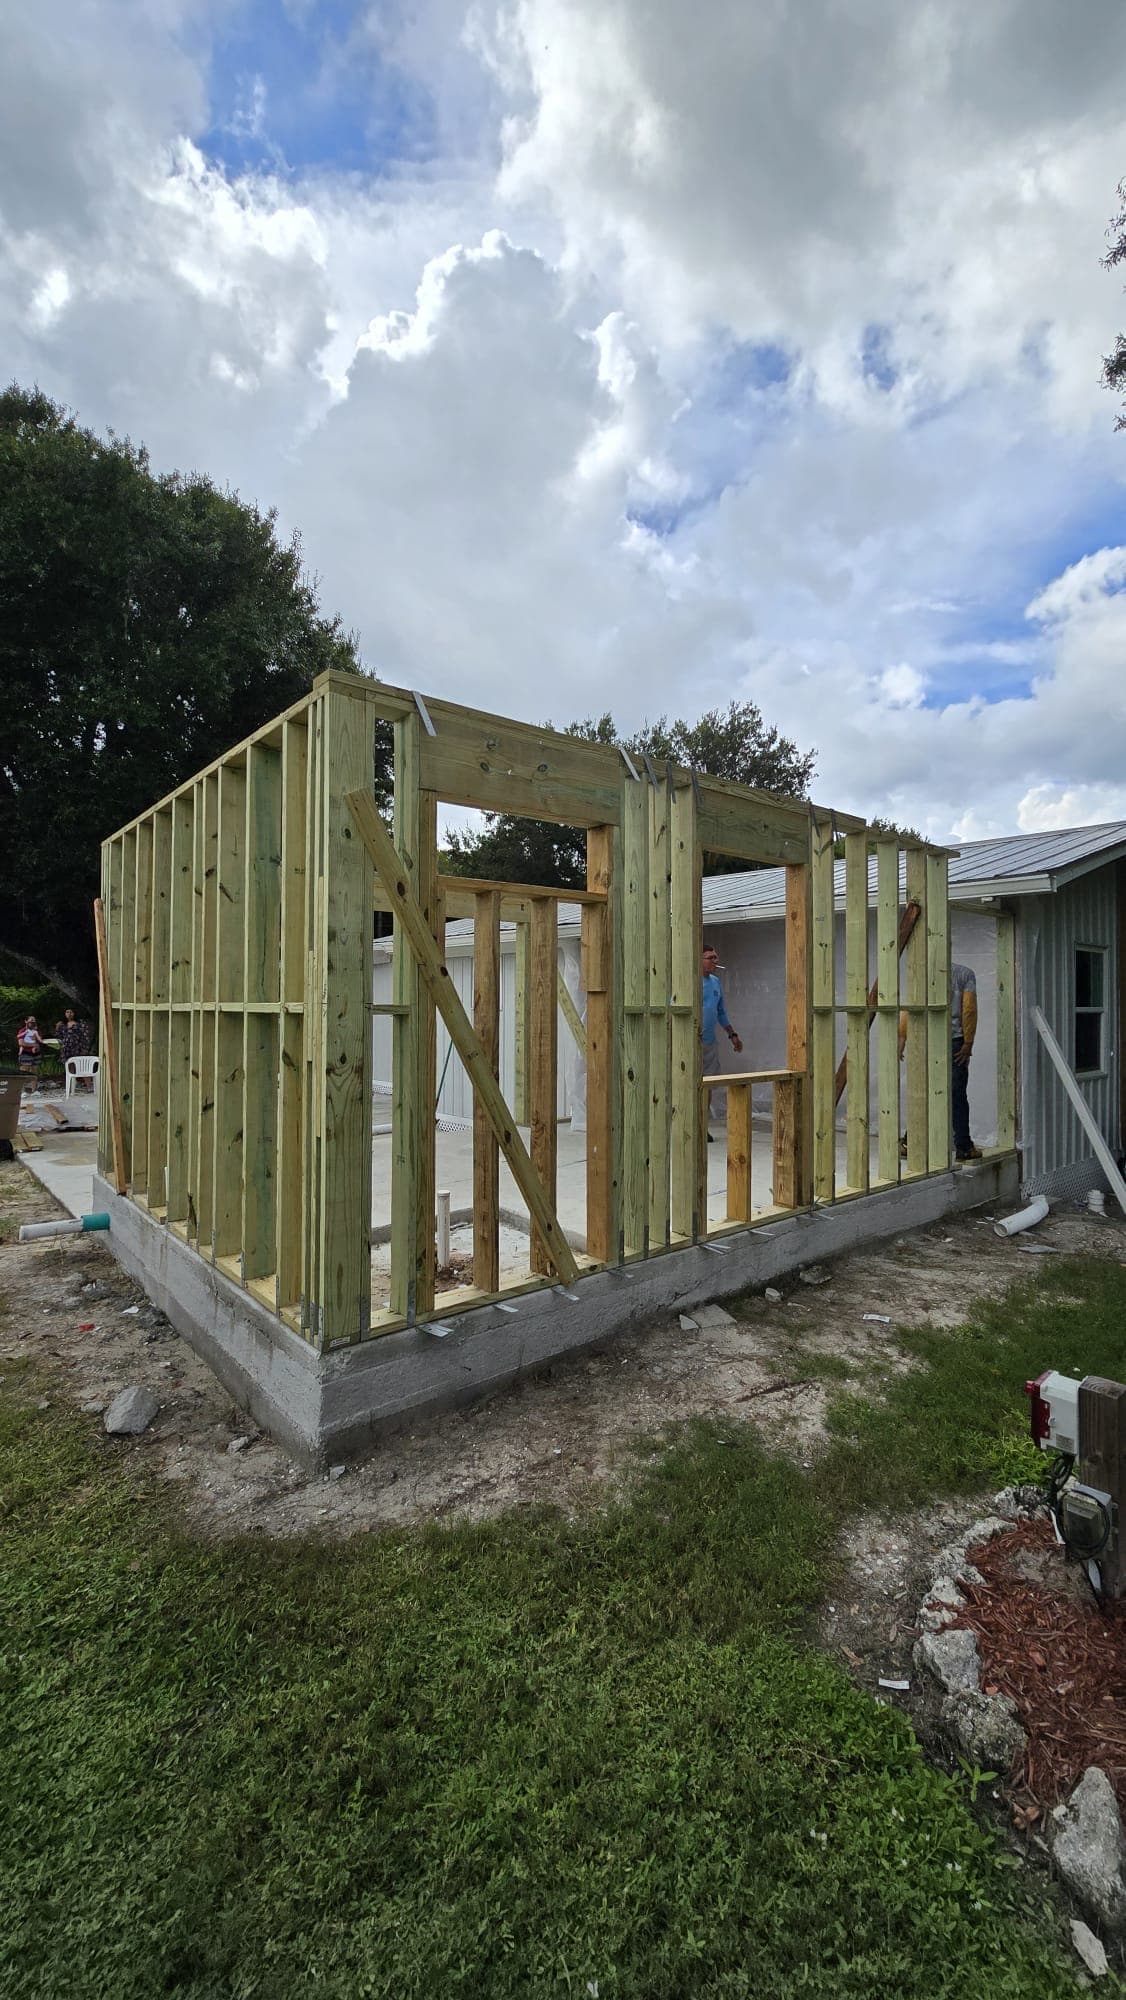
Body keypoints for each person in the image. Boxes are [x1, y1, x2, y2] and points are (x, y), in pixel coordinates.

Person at [898, 961, 981, 1162]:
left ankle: (910, 1143)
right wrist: (968, 1043)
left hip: (924, 1040)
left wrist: (902, 1039)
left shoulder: (921, 972)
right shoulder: (965, 973)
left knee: (923, 1093)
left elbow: (910, 1009)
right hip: (954, 1042)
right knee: (957, 1094)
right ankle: (963, 1147)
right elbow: (968, 1009)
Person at [701, 942, 743, 1139]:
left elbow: (720, 1012)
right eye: (711, 958)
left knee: (707, 1084)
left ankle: (702, 1126)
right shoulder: (688, 982)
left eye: (716, 958)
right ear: (699, 960)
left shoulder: (715, 982)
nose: (716, 962)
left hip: (709, 1043)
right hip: (687, 1044)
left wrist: (732, 1035)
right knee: (685, 1084)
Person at [56, 1007, 94, 1090]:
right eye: (67, 1012)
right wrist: (57, 1027)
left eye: (71, 1012)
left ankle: (89, 1086)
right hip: (67, 1049)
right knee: (70, 1068)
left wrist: (85, 1048)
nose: (69, 1014)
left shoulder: (80, 1023)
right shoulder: (62, 1025)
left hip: (78, 1048)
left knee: (83, 1067)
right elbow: (59, 1036)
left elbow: (85, 1036)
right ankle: (72, 1086)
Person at [16, 1016, 43, 1091]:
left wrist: (36, 1046)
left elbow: (38, 1042)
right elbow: (21, 1043)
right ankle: (22, 1090)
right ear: (26, 1021)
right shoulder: (22, 1031)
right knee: (24, 1071)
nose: (32, 1023)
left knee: (35, 1071)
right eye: (30, 1021)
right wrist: (33, 1045)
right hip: (25, 1053)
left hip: (36, 1054)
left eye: (34, 1021)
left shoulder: (37, 1031)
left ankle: (34, 1090)